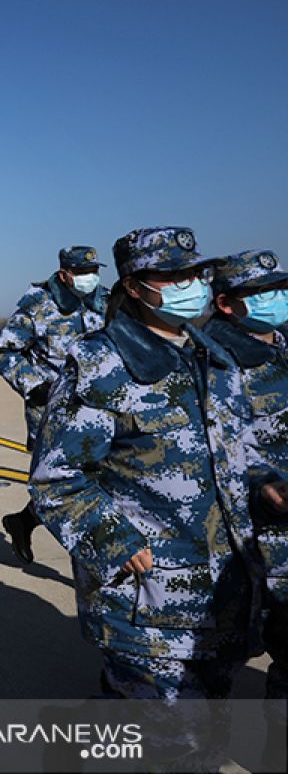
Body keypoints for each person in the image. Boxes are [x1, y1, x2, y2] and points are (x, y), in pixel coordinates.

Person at [28, 227, 287, 766]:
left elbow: (233, 444)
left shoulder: (210, 353)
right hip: (149, 598)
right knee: (177, 750)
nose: (187, 284)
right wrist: (116, 542)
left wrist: (266, 484)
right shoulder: (100, 365)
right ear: (137, 287)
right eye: (171, 276)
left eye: (193, 273)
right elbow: (58, 480)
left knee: (208, 724)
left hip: (225, 587)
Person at [203, 249, 288, 735]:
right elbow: (215, 444)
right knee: (218, 657)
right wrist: (262, 482)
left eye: (280, 288)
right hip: (244, 533)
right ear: (228, 304)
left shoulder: (281, 343)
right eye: (263, 293)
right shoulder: (212, 359)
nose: (279, 299)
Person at [0, 246, 108, 565]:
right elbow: (2, 351)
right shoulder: (38, 306)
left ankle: (25, 521)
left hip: (105, 409)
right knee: (58, 486)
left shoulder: (106, 302)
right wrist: (34, 386)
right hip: (55, 412)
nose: (89, 279)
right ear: (64, 274)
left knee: (105, 482)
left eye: (93, 271)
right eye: (82, 273)